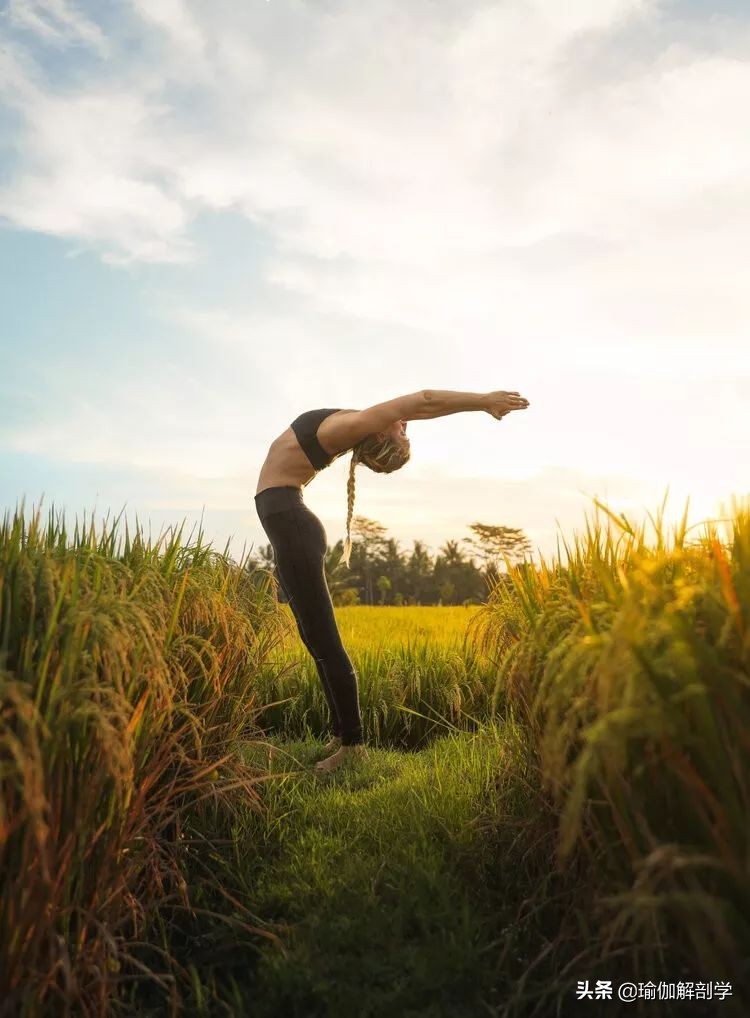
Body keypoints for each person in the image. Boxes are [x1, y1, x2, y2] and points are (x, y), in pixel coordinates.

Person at [254, 388, 530, 774]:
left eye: (403, 433)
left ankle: (353, 747)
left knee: (325, 639)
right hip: (289, 525)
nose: (404, 425)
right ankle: (341, 734)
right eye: (405, 431)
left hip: (293, 526)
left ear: (380, 434)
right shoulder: (354, 424)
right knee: (313, 636)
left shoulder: (357, 424)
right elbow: (412, 407)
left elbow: (425, 400)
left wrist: (483, 401)